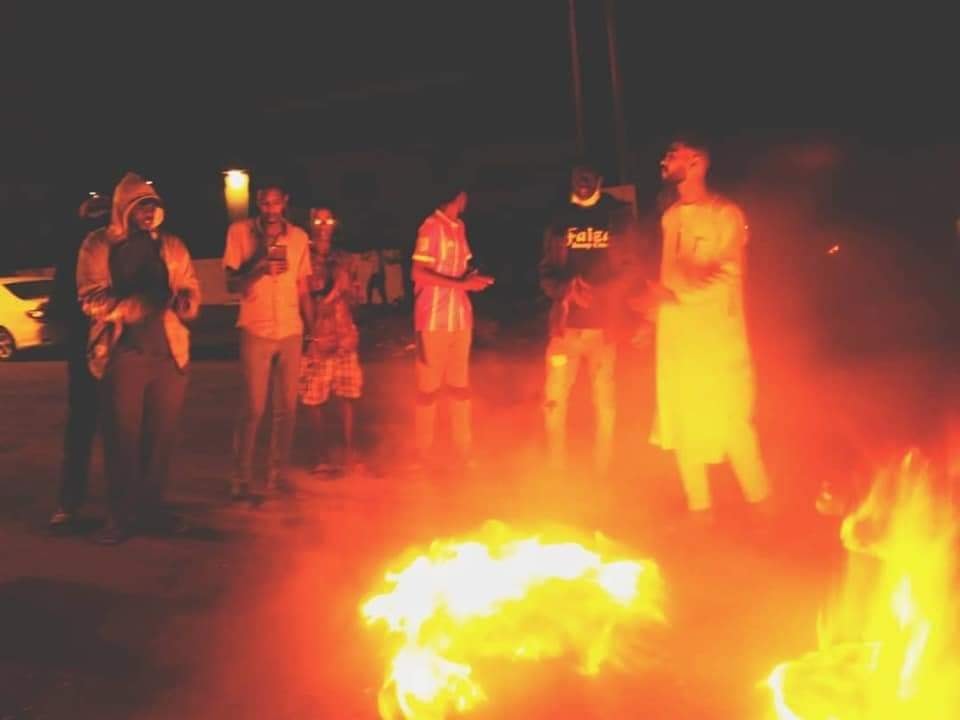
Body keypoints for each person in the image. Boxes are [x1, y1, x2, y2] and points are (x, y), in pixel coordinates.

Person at [649, 137, 771, 521]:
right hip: (676, 340)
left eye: (672, 154)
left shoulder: (724, 214)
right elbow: (668, 275)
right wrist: (654, 313)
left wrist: (680, 296)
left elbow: (729, 275)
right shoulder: (671, 217)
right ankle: (699, 512)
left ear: (697, 163)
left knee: (731, 422)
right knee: (683, 420)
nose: (664, 160)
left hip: (717, 340)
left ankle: (762, 504)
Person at [76, 173, 201, 544]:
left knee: (160, 440)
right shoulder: (99, 245)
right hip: (123, 355)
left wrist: (187, 302)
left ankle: (152, 511)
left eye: (153, 206)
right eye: (141, 206)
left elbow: (190, 285)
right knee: (122, 440)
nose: (149, 213)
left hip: (169, 356)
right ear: (123, 208)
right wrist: (135, 306)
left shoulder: (171, 245)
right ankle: (120, 517)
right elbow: (90, 299)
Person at [539, 160, 641, 475]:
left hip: (603, 330)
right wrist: (566, 290)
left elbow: (630, 269)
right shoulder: (559, 218)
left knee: (605, 403)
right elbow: (546, 272)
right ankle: (556, 468)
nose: (582, 181)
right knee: (554, 401)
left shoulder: (618, 216)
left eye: (588, 176)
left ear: (599, 178)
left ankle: (602, 469)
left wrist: (600, 291)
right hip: (564, 330)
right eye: (577, 176)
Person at [223, 181, 312, 500]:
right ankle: (241, 478)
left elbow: (303, 287)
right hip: (255, 327)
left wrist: (312, 329)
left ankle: (277, 475)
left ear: (285, 202)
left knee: (287, 408)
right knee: (253, 408)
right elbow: (231, 284)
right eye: (264, 203)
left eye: (275, 203)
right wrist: (259, 266)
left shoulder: (298, 237)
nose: (270, 210)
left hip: (290, 328)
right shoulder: (239, 233)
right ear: (257, 203)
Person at [410, 185, 493, 471]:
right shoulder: (430, 226)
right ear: (458, 196)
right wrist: (461, 284)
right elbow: (417, 272)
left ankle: (464, 451)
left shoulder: (459, 227)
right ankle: (422, 454)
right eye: (465, 194)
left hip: (460, 318)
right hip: (432, 320)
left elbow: (461, 271)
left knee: (460, 388)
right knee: (428, 390)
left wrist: (474, 279)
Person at [48, 192, 111, 533]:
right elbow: (61, 299)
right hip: (86, 347)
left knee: (100, 427)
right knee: (88, 426)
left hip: (111, 345)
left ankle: (76, 504)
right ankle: (71, 503)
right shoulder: (77, 249)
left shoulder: (115, 246)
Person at [300, 207, 363, 474]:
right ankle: (321, 456)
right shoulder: (303, 257)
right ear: (310, 224)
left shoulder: (345, 259)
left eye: (328, 221)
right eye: (318, 220)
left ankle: (349, 451)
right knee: (314, 399)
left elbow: (356, 299)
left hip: (344, 335)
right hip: (318, 337)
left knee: (348, 395)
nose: (324, 226)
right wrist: (311, 334)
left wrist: (349, 290)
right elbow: (304, 298)